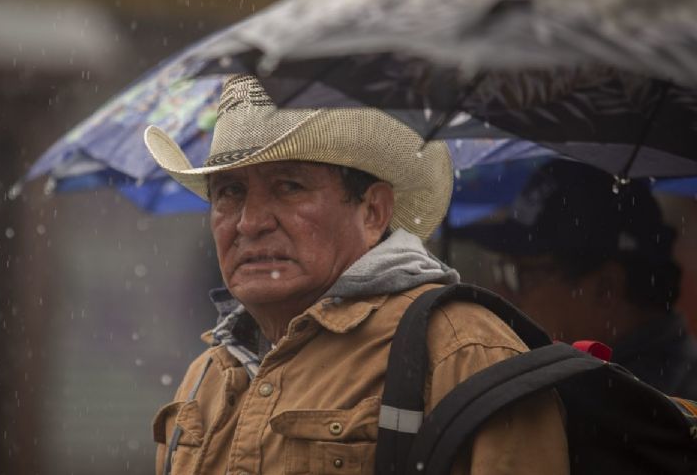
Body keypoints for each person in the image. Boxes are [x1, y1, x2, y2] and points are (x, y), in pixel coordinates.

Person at [143, 75, 568, 475]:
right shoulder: (205, 378)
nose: (249, 222)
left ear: (373, 212)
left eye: (289, 186)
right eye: (229, 192)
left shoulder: (462, 352)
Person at [455, 158, 697, 399]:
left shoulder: (666, 415)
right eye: (503, 270)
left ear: (606, 289)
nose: (503, 293)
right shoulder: (590, 389)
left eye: (522, 275)